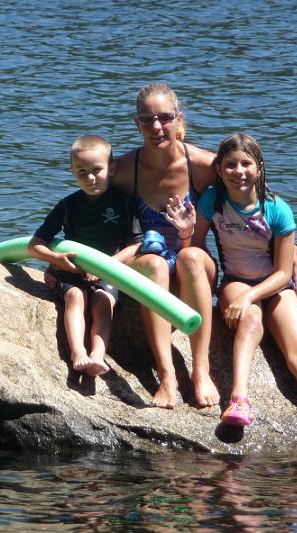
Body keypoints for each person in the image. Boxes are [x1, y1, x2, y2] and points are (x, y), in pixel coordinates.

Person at [187, 132, 297, 441]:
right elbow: (196, 243)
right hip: (235, 281)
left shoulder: (277, 209)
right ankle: (239, 400)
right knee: (250, 320)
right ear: (218, 169)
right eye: (230, 165)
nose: (238, 172)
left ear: (259, 167)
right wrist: (217, 287)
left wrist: (252, 296)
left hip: (274, 286)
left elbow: (284, 274)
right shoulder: (212, 200)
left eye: (246, 163)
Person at [110, 83, 220, 409]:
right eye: (147, 120)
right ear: (137, 124)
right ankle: (167, 377)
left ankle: (201, 372)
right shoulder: (125, 170)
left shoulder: (203, 166)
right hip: (147, 263)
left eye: (165, 118)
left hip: (190, 261)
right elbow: (88, 208)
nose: (157, 127)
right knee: (157, 263)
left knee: (191, 257)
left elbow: (258, 206)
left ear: (178, 118)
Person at [28, 135, 137, 378]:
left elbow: (135, 246)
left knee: (102, 301)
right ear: (72, 171)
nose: (89, 177)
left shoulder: (124, 203)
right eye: (81, 171)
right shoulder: (68, 205)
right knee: (75, 297)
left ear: (112, 168)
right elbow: (34, 245)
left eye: (96, 170)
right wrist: (55, 260)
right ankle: (78, 352)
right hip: (71, 269)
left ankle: (98, 354)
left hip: (108, 270)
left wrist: (104, 267)